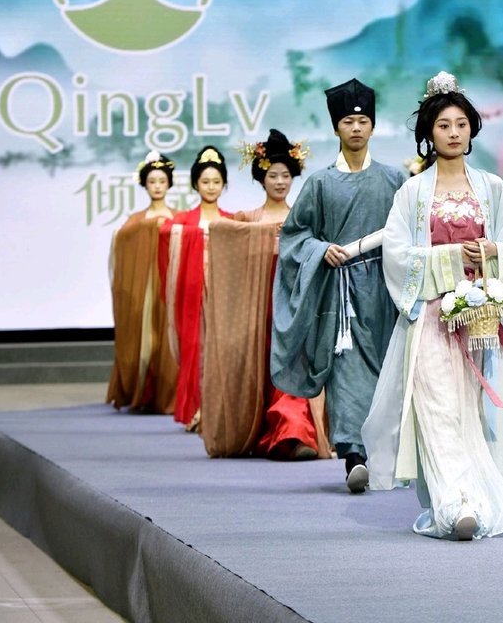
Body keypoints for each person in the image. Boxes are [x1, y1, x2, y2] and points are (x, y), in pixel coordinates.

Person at [362, 71, 503, 541]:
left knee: (479, 413)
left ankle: (483, 495)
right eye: (444, 125)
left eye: (461, 124)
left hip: (481, 320)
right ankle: (457, 503)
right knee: (439, 410)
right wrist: (453, 258)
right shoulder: (412, 194)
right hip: (431, 319)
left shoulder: (492, 188)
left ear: (472, 129)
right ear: (429, 133)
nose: (454, 133)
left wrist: (494, 252)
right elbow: (396, 255)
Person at [271, 80, 406, 491]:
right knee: (345, 372)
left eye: (363, 121)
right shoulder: (320, 184)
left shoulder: (394, 179)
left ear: (373, 126)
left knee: (389, 372)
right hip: (341, 296)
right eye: (348, 121)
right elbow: (295, 236)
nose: (356, 128)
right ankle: (353, 456)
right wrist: (321, 249)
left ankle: (388, 455)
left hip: (386, 290)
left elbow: (411, 233)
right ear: (336, 128)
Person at [197, 130, 328, 459]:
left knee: (293, 363)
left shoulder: (303, 219)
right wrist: (262, 232)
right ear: (261, 178)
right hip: (259, 307)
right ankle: (267, 432)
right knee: (260, 365)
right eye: (273, 176)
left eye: (285, 175)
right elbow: (219, 231)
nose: (280, 182)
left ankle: (293, 433)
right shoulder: (248, 219)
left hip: (295, 305)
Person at [164, 145, 233, 428]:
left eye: (217, 181)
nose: (211, 187)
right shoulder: (183, 221)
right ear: (195, 184)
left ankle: (219, 411)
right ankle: (196, 409)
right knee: (196, 348)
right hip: (193, 292)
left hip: (222, 293)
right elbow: (166, 234)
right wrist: (197, 234)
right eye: (205, 181)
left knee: (221, 349)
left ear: (224, 184)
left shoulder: (231, 220)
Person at [107, 150, 178, 414]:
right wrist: (148, 228)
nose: (157, 186)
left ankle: (167, 394)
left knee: (168, 339)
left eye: (162, 181)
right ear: (144, 185)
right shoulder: (136, 220)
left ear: (169, 183)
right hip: (145, 289)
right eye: (152, 181)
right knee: (146, 338)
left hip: (168, 286)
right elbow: (121, 240)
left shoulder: (178, 217)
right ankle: (143, 391)